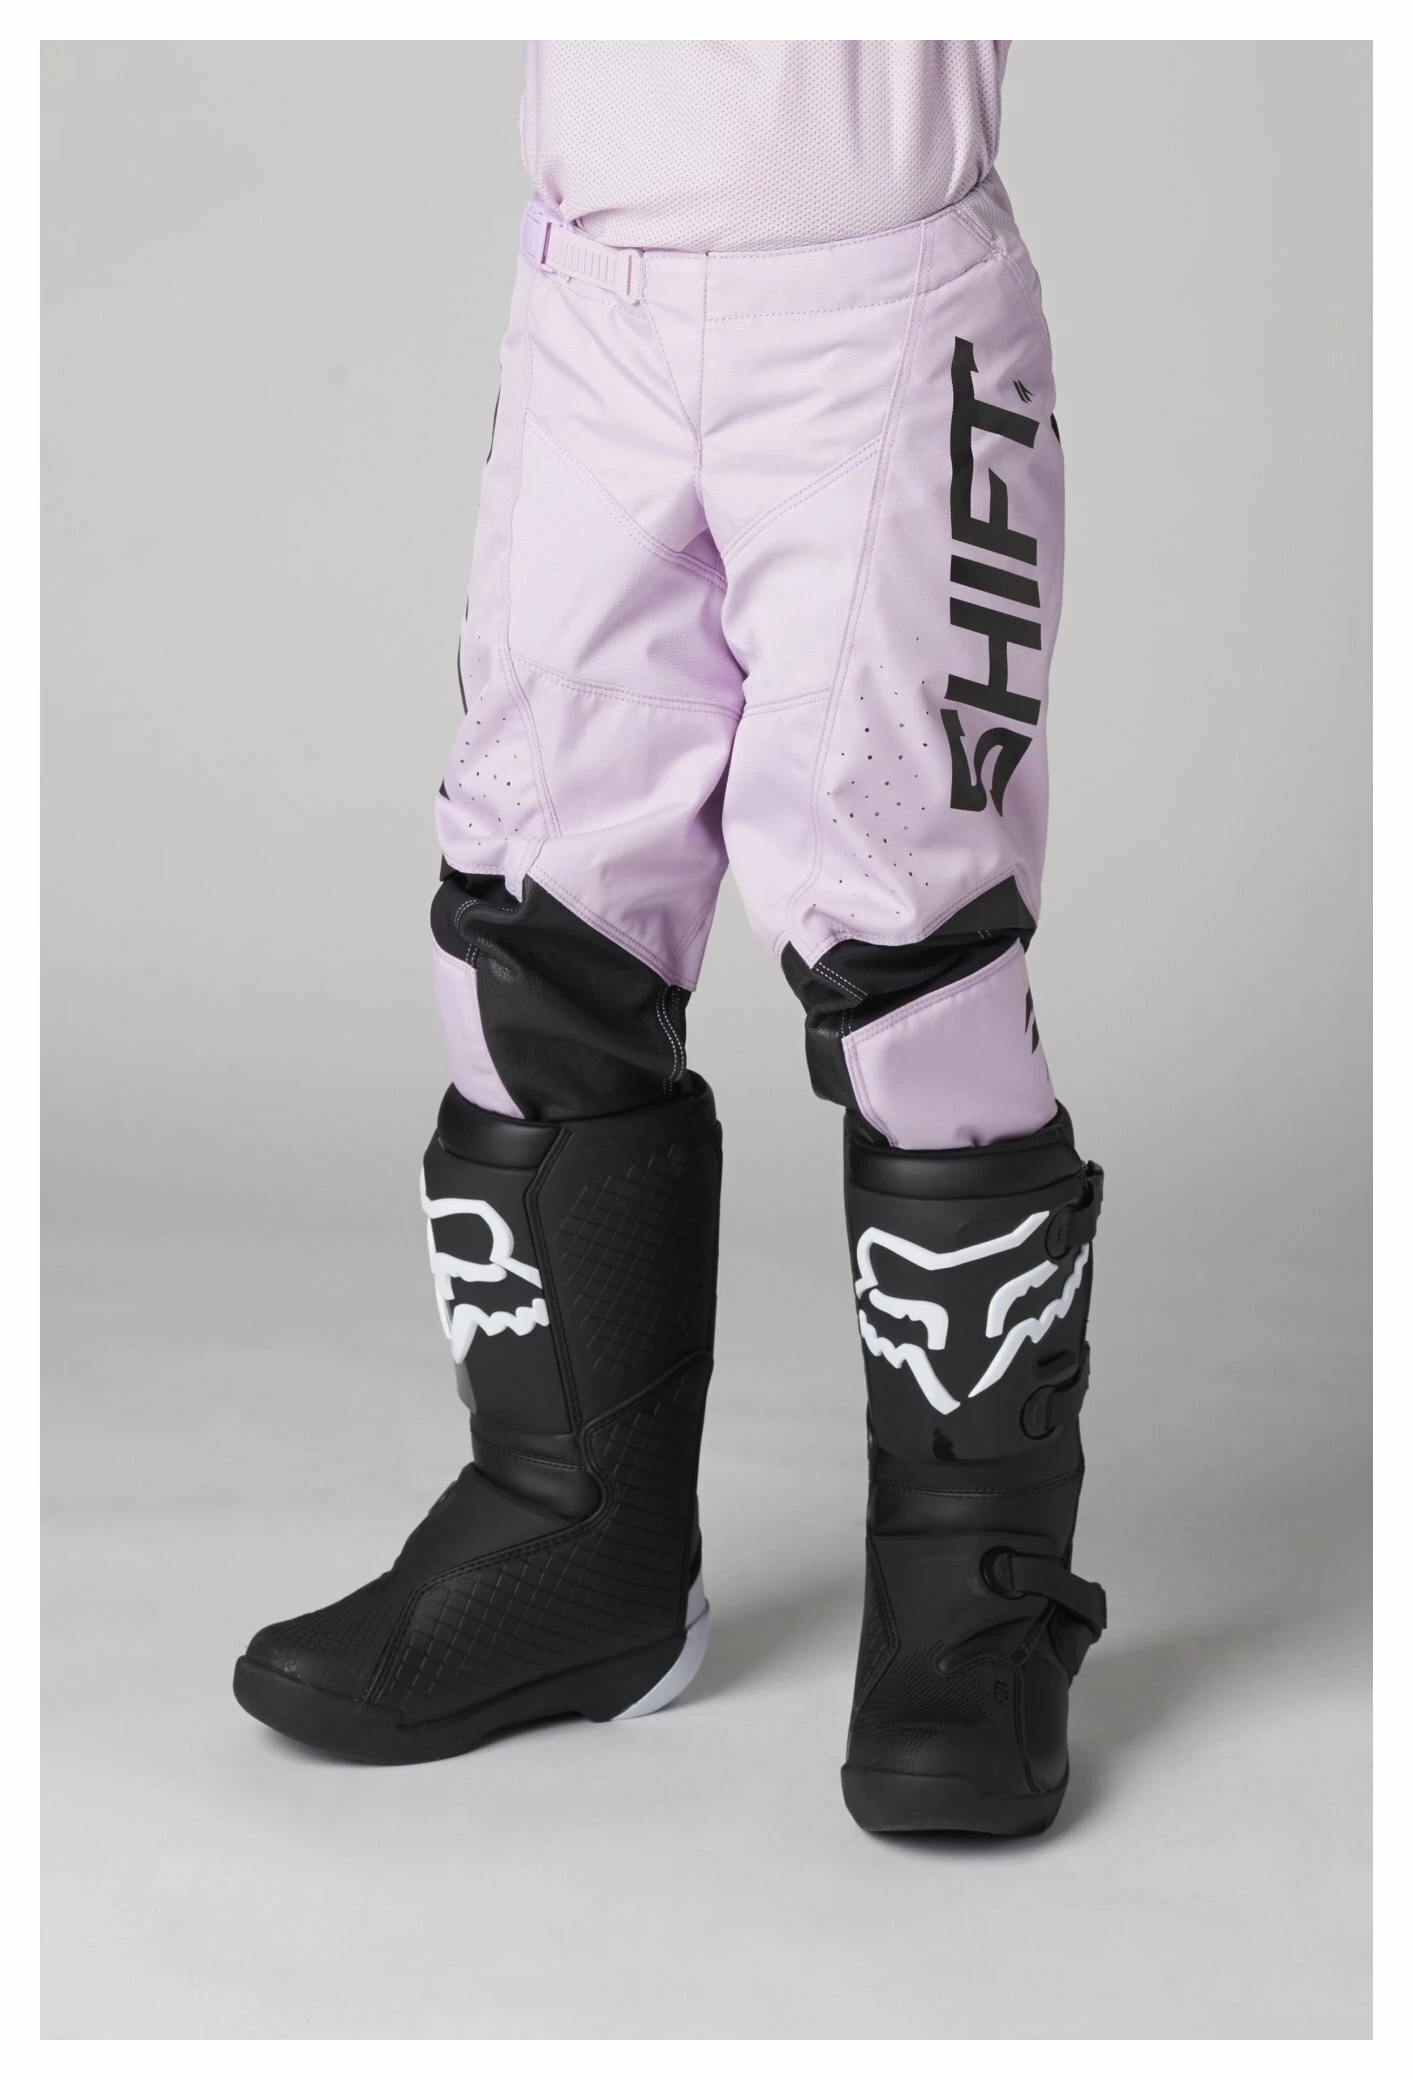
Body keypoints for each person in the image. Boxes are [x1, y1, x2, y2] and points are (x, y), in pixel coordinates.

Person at [233, 39, 1106, 1836]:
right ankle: (575, 1545)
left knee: (917, 965)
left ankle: (973, 1598)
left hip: (882, 306)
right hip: (593, 308)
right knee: (532, 918)